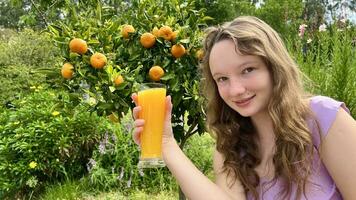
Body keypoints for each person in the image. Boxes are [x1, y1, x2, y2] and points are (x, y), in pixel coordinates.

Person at [131, 16, 356, 200]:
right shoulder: (230, 146)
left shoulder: (324, 118)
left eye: (247, 70)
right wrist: (167, 145)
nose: (236, 90)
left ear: (273, 68)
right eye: (222, 79)